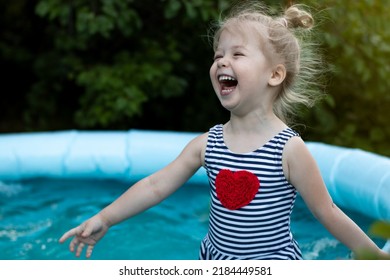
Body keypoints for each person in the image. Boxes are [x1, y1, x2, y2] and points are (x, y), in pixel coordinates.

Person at [59, 1, 390, 260]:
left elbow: (326, 211)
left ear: (274, 75)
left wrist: (374, 257)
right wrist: (106, 217)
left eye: (237, 54)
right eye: (218, 55)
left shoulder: (288, 150)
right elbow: (156, 185)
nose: (221, 62)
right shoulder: (208, 143)